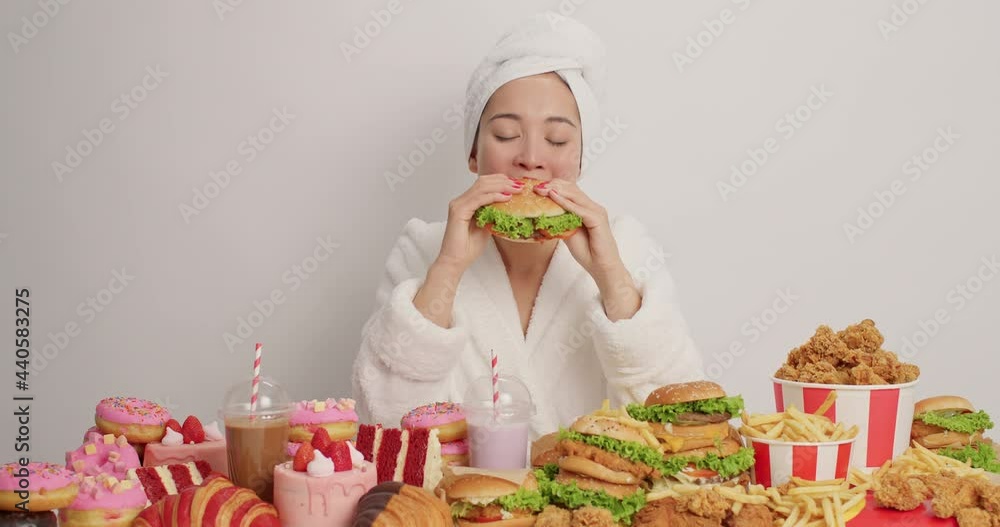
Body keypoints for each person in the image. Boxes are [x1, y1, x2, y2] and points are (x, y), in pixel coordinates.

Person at [352, 13, 704, 437]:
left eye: (557, 140)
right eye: (505, 134)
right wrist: (447, 268)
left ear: (579, 159)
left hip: (591, 482)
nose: (531, 158)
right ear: (473, 155)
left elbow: (684, 423)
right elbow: (385, 421)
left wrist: (611, 276)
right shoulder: (423, 249)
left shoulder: (627, 246)